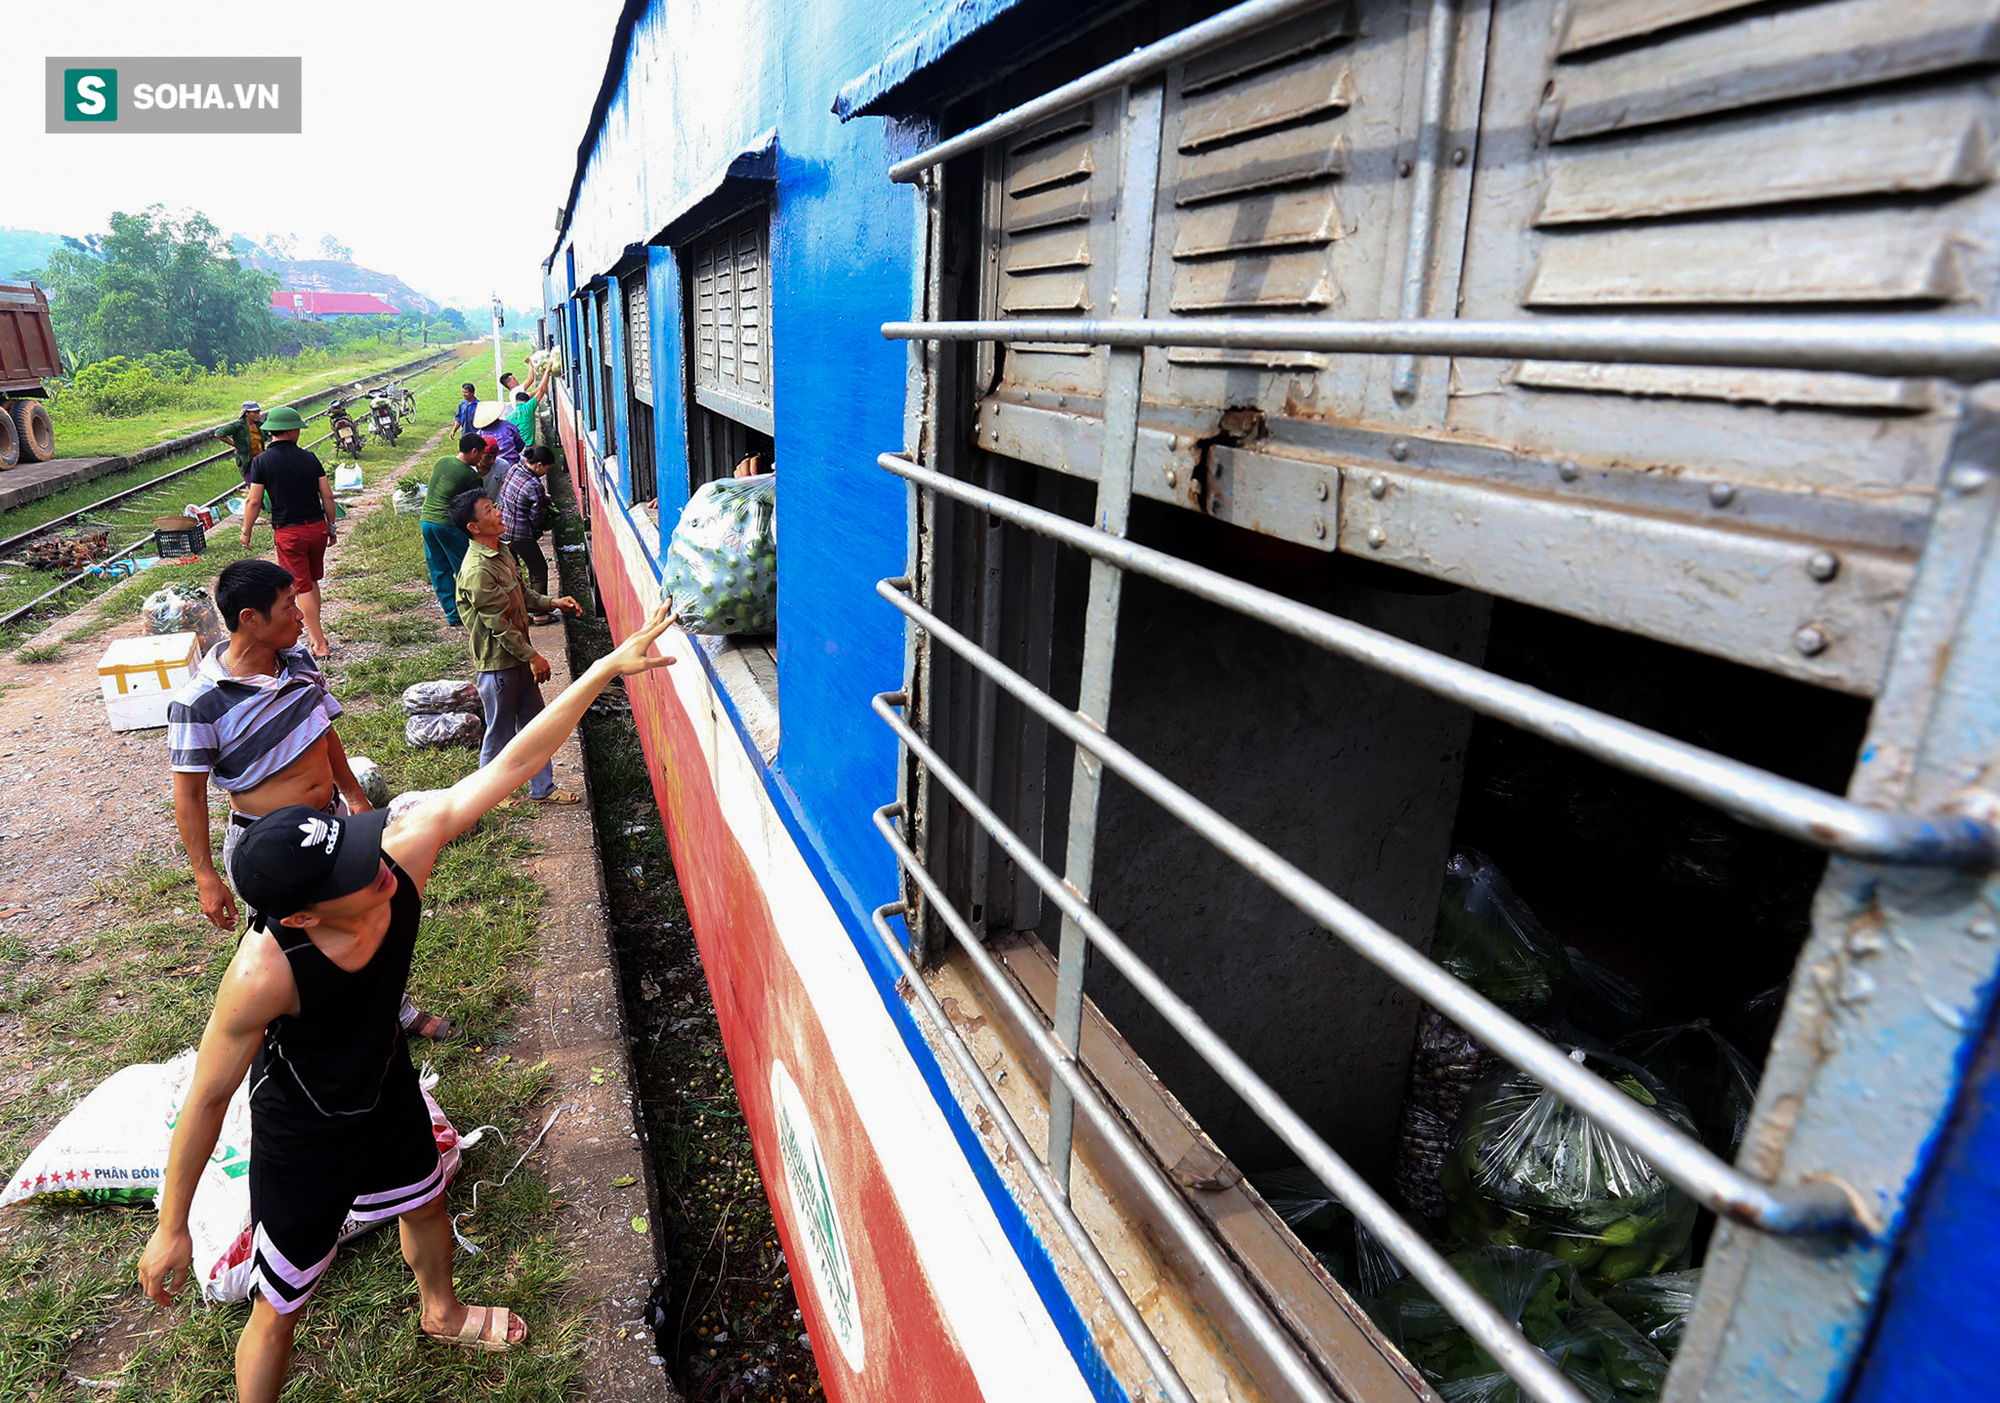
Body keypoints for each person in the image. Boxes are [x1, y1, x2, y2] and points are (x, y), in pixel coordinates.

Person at [137, 605, 677, 1402]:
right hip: (307, 1130)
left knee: (425, 1197)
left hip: (385, 1082)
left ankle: (441, 1309)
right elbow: (210, 1096)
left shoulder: (396, 858)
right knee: (279, 1305)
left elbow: (502, 768)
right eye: (353, 870)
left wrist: (600, 671)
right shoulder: (263, 973)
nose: (377, 867)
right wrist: (171, 1225)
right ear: (301, 915)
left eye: (359, 845)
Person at [167, 558, 456, 1039]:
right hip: (269, 845)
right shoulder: (199, 702)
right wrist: (204, 876)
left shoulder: (299, 662)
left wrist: (354, 798)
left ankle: (395, 1010)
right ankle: (315, 1027)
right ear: (250, 620)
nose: (301, 616)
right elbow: (189, 795)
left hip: (332, 824)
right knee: (294, 942)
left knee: (367, 913)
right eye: (288, 607)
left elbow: (323, 732)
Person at [451, 488, 584, 804]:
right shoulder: (477, 570)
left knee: (536, 728)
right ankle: (489, 795)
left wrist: (553, 603)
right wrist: (533, 656)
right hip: (499, 665)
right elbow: (498, 624)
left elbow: (522, 595)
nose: (498, 512)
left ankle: (543, 788)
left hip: (518, 658)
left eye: (494, 506)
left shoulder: (503, 551)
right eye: (489, 510)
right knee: (499, 733)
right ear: (474, 527)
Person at [239, 406, 336, 659]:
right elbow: (327, 495)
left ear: (272, 432)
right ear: (292, 431)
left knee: (301, 586)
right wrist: (331, 526)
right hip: (316, 529)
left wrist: (246, 531)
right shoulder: (310, 458)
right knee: (311, 581)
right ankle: (318, 631)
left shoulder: (261, 462)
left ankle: (319, 643)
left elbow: (254, 501)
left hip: (289, 532)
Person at [419, 435, 487, 625]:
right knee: (465, 568)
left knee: (439, 569)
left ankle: (453, 614)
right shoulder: (471, 476)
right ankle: (474, 611)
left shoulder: (442, 461)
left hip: (427, 521)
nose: (481, 458)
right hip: (447, 525)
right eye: (481, 454)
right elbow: (473, 507)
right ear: (474, 451)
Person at [498, 445, 557, 604]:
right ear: (539, 465)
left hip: (502, 529)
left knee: (514, 573)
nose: (547, 472)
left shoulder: (514, 469)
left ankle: (520, 608)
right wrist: (544, 508)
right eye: (548, 469)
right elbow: (535, 519)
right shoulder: (535, 486)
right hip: (519, 534)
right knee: (538, 569)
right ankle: (540, 612)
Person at [213, 402, 266, 484]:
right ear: (246, 413)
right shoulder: (238, 425)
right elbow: (219, 434)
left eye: (258, 412)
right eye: (254, 412)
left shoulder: (260, 425)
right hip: (246, 461)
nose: (257, 415)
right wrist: (235, 445)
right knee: (253, 485)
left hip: (260, 460)